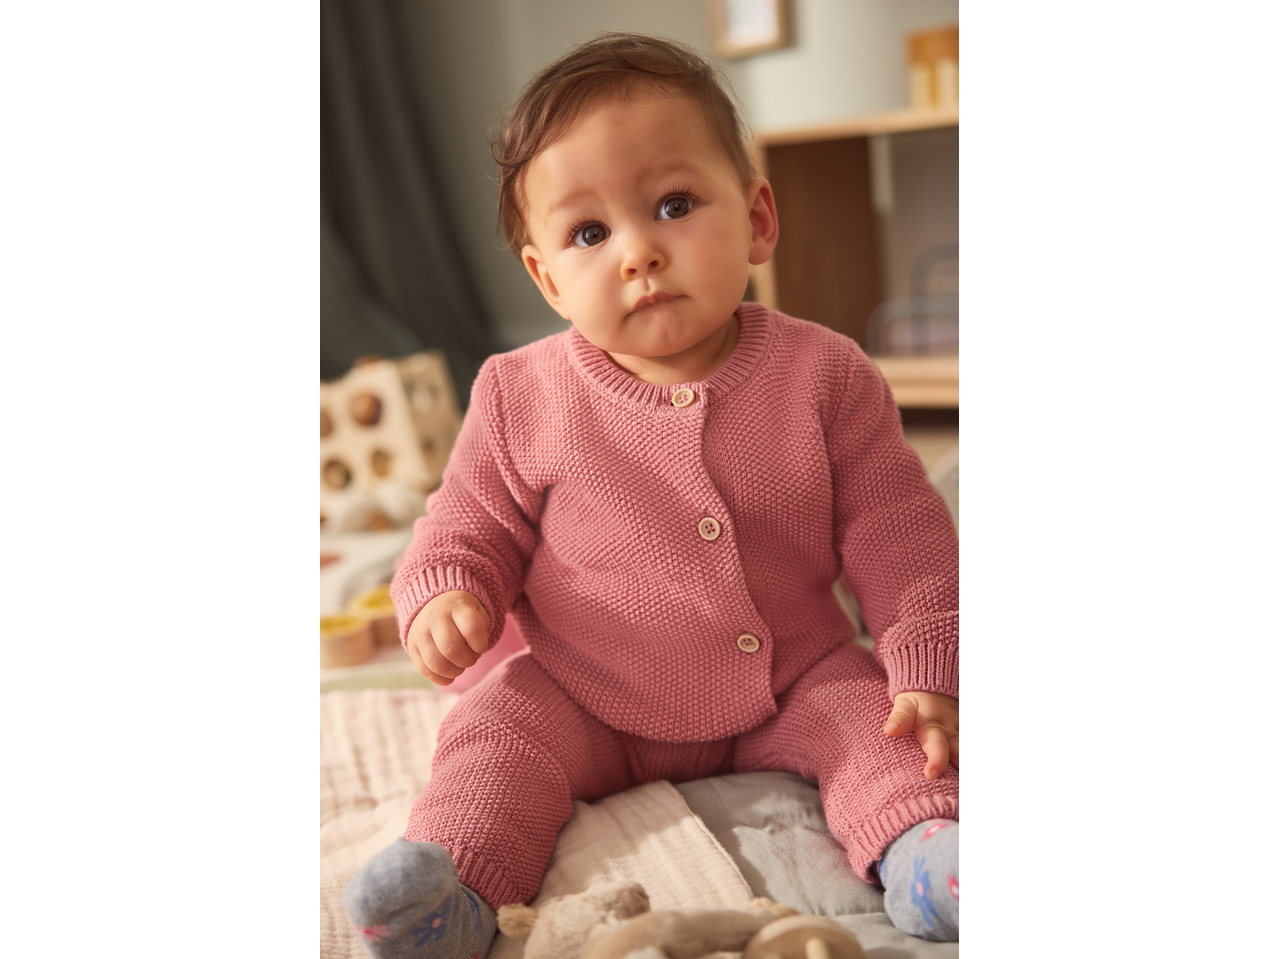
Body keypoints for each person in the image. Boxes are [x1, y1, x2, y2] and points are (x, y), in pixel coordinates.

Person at [344, 34, 959, 958]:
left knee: (883, 727)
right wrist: (447, 589)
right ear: (546, 277)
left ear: (757, 218)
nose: (638, 253)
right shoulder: (520, 393)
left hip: (792, 672)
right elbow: (465, 519)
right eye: (589, 233)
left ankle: (924, 851)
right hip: (582, 682)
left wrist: (926, 663)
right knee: (494, 737)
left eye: (674, 205)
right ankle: (452, 891)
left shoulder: (825, 374)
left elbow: (901, 537)